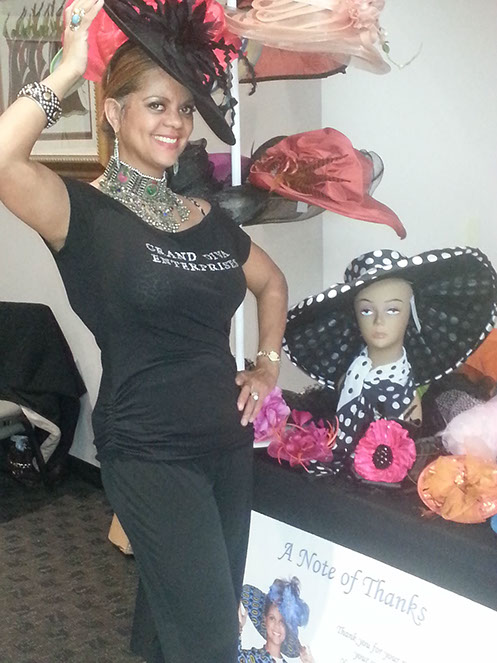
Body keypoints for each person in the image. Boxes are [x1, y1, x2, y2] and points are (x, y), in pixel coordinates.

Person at [0, 1, 288, 661]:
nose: (175, 122)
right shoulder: (83, 212)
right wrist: (70, 67)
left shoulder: (207, 218)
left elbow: (271, 282)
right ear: (113, 111)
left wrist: (267, 361)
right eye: (156, 105)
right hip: (148, 448)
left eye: (184, 108)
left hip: (225, 440)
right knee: (211, 636)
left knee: (178, 621)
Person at [284, 247, 497, 470]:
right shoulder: (350, 379)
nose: (379, 321)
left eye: (393, 309)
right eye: (366, 310)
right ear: (354, 315)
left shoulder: (405, 393)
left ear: (411, 311)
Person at [238, 577, 314, 663]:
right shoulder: (250, 658)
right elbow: (231, 657)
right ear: (265, 619)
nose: (277, 626)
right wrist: (238, 629)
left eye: (282, 622)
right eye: (272, 618)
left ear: (288, 629)